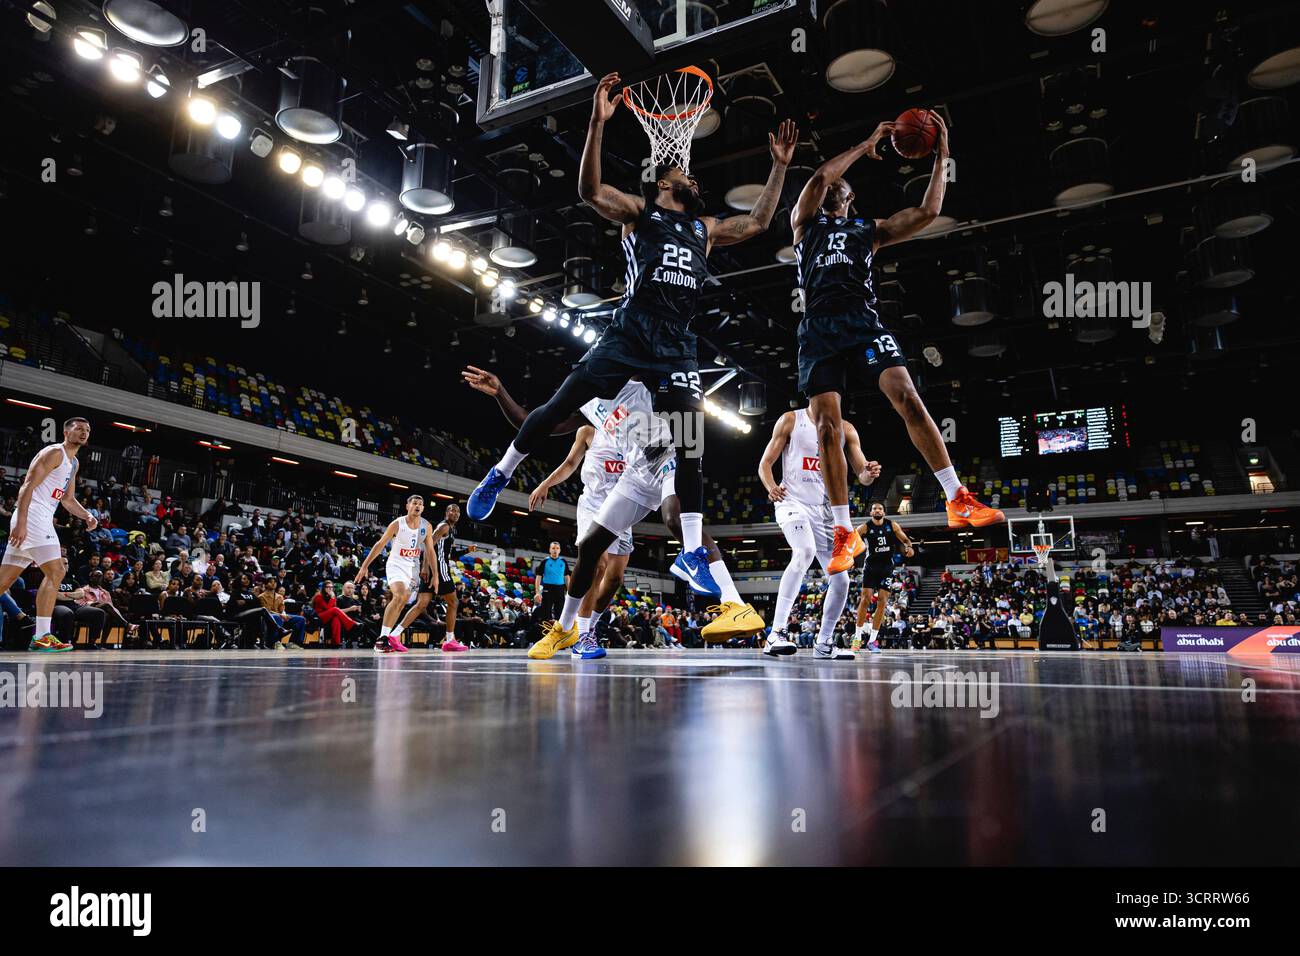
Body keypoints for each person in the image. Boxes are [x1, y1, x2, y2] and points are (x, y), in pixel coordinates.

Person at [463, 70, 795, 636]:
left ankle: (691, 552)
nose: (691, 175)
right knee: (559, 404)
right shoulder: (642, 215)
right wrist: (596, 124)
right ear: (665, 182)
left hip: (676, 345)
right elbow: (590, 191)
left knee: (690, 444)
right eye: (682, 172)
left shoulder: (707, 228)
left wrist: (781, 165)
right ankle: (500, 473)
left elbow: (761, 221)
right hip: (629, 334)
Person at [789, 114, 1002, 572]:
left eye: (842, 186)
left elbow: (926, 213)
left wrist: (942, 155)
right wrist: (866, 144)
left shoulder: (870, 229)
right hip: (819, 328)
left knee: (907, 396)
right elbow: (821, 174)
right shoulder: (805, 225)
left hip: (862, 321)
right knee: (828, 427)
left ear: (851, 196)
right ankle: (845, 531)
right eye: (832, 184)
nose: (833, 187)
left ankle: (956, 496)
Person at [758, 405, 879, 659]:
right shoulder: (791, 419)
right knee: (804, 551)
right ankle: (775, 633)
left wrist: (868, 473)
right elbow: (765, 464)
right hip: (792, 502)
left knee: (842, 579)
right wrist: (770, 486)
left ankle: (824, 643)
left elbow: (862, 474)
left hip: (824, 512)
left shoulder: (845, 428)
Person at [0, 417, 97, 652]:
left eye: (87, 430)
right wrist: (21, 522)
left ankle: (42, 636)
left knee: (5, 581)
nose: (84, 433)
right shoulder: (54, 453)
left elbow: (67, 499)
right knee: (57, 570)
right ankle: (42, 635)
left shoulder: (72, 463)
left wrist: (86, 515)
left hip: (38, 519)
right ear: (66, 431)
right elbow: (27, 486)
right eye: (79, 429)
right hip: (32, 517)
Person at [354, 495, 436, 653]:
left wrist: (436, 575)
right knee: (398, 596)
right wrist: (364, 566)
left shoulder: (426, 526)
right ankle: (381, 639)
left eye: (420, 504)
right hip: (396, 565)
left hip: (412, 569)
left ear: (423, 508)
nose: (417, 506)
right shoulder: (398, 524)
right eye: (414, 503)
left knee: (402, 602)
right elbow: (379, 545)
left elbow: (430, 551)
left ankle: (390, 637)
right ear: (407, 506)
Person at [391, 502, 467, 652]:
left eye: (458, 511)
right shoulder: (443, 526)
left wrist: (467, 551)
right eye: (452, 510)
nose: (455, 513)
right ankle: (450, 640)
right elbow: (428, 543)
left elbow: (449, 554)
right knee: (453, 602)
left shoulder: (451, 530)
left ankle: (394, 635)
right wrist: (425, 567)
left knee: (421, 604)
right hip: (439, 568)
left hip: (435, 567)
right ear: (446, 513)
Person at [851, 502, 915, 653]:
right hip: (871, 567)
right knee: (865, 600)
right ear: (871, 512)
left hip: (886, 567)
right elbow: (851, 539)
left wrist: (909, 547)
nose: (877, 510)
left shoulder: (892, 525)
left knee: (882, 602)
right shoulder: (865, 527)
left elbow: (905, 540)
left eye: (880, 508)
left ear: (884, 512)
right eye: (874, 508)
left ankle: (872, 641)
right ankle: (857, 638)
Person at [534, 541, 569, 622]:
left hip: (560, 589)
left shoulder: (563, 561)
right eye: (553, 548)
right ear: (550, 550)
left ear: (559, 550)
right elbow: (538, 577)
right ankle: (544, 633)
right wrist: (537, 592)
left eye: (557, 548)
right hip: (548, 589)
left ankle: (558, 633)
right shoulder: (545, 561)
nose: (555, 550)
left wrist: (569, 591)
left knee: (560, 613)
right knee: (546, 613)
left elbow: (567, 578)